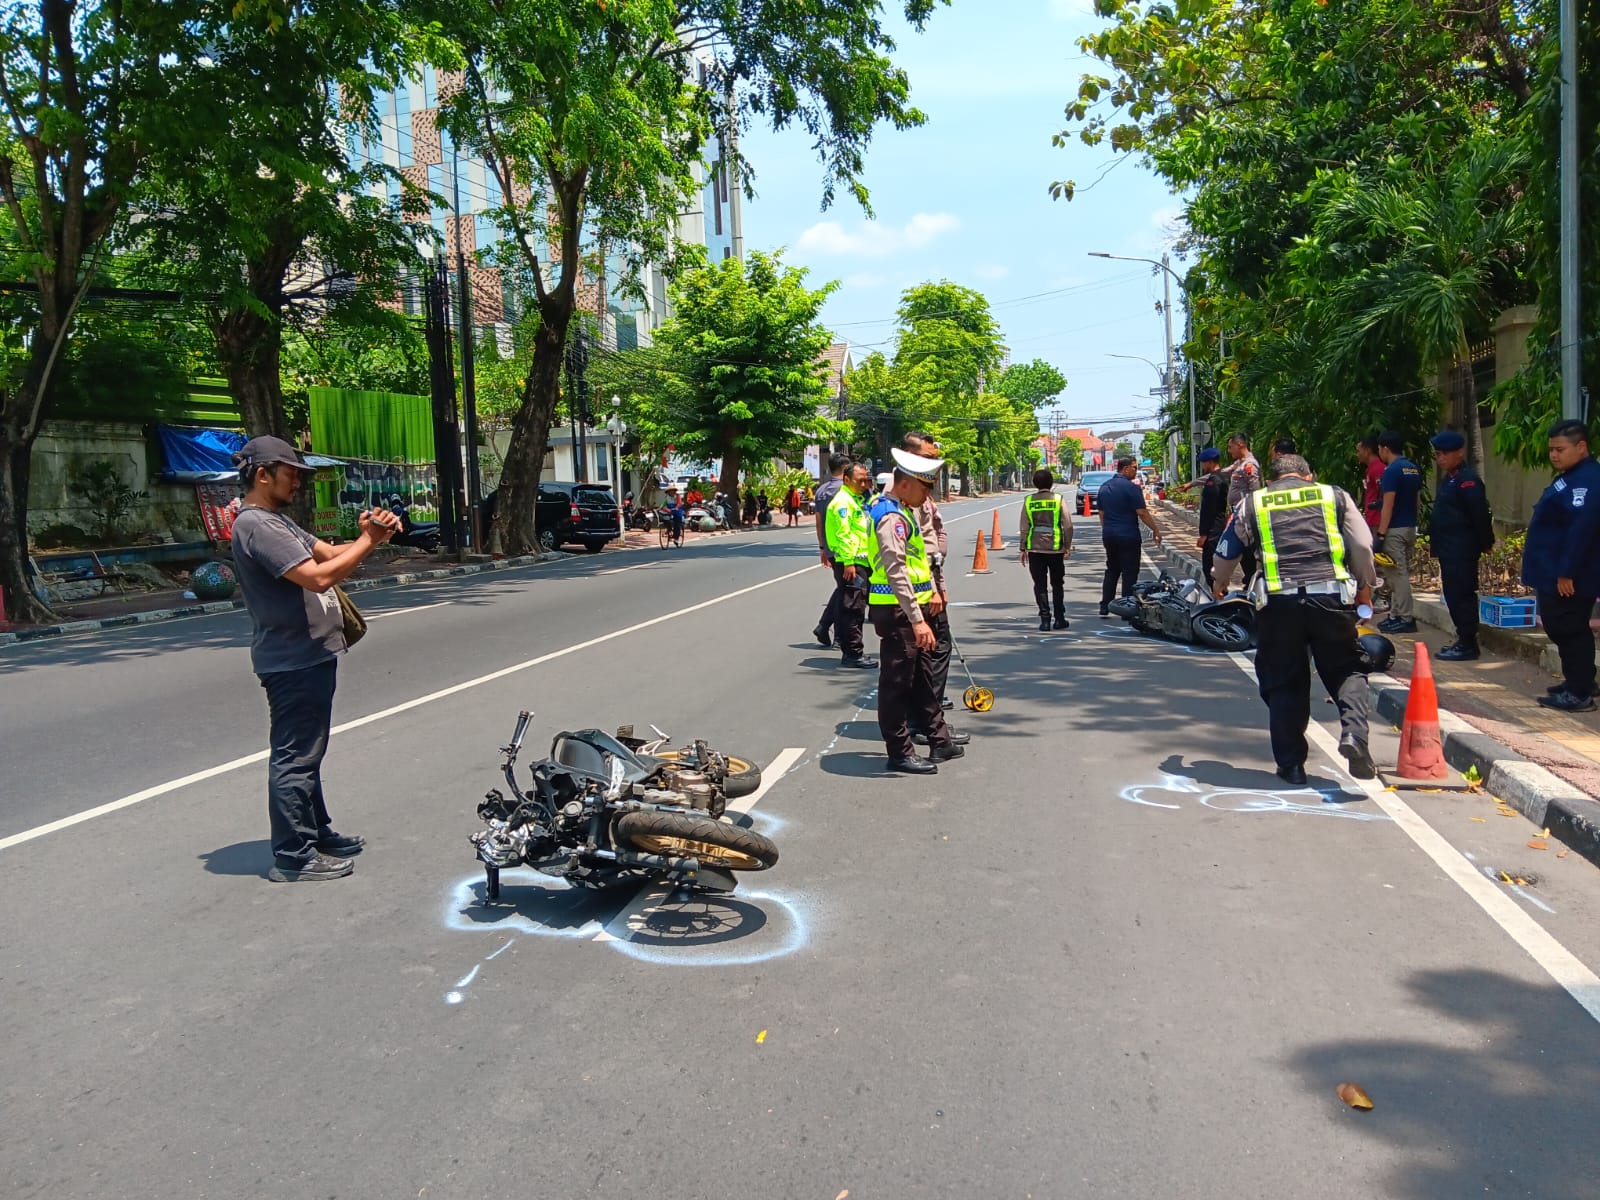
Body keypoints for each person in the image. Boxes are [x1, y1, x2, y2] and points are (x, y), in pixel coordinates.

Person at [229, 435, 401, 882]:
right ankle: (293, 855)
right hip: (292, 659)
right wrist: (369, 539)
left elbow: (333, 554)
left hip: (310, 655)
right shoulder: (257, 526)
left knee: (310, 751)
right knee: (296, 755)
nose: (298, 484)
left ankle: (315, 831)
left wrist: (369, 537)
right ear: (262, 474)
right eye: (292, 475)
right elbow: (319, 577)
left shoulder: (278, 523)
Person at [1212, 453, 1379, 786]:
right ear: (1309, 475)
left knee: (1285, 680)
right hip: (1331, 599)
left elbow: (1227, 550)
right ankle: (1354, 735)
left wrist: (1219, 582)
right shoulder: (1333, 495)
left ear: (1271, 481)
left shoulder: (1254, 503)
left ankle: (1291, 766)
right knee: (1346, 667)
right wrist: (1365, 588)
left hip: (1278, 604)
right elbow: (1362, 544)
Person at [867, 448, 961, 774]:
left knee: (922, 677)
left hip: (912, 608)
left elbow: (917, 563)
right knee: (897, 684)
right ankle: (900, 751)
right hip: (897, 611)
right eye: (924, 488)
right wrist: (918, 619)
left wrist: (932, 592)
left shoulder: (903, 509)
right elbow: (896, 571)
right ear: (905, 484)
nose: (928, 496)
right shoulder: (890, 516)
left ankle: (940, 739)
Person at [1523, 419, 1600, 711]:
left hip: (1570, 574)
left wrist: (1566, 572)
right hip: (1553, 569)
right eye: (1551, 449)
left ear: (1581, 447)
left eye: (1560, 449)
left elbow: (1581, 531)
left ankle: (1579, 693)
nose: (1554, 455)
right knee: (1562, 627)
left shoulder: (1590, 480)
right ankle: (1578, 680)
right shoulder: (1569, 476)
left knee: (1568, 628)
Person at [902, 431, 959, 726]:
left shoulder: (922, 491)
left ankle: (929, 720)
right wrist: (935, 588)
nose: (934, 464)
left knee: (930, 655)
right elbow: (917, 548)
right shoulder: (906, 493)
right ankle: (926, 721)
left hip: (929, 581)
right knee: (933, 653)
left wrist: (941, 583)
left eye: (935, 458)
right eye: (928, 458)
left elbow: (936, 534)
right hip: (919, 588)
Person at [1428, 430, 1495, 661]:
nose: (1441, 459)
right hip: (1449, 549)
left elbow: (1479, 515)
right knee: (1453, 595)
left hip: (1461, 550)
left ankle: (1468, 643)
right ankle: (1463, 639)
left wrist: (1486, 543)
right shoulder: (1451, 479)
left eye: (1445, 454)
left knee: (1462, 596)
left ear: (1459, 452)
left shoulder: (1468, 481)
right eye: (1438, 454)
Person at [824, 463, 877, 669]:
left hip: (860, 560)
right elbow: (844, 534)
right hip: (851, 562)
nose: (864, 484)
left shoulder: (857, 499)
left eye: (866, 480)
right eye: (859, 480)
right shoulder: (843, 502)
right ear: (846, 479)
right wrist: (848, 562)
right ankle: (853, 654)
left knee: (856, 606)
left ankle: (853, 651)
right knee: (853, 608)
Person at [1097, 455, 1163, 616]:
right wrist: (1156, 529)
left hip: (1110, 535)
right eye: (1134, 467)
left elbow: (1101, 513)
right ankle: (1126, 605)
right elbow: (1142, 512)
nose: (1136, 470)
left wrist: (1108, 529)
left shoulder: (1105, 487)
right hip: (1128, 535)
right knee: (1130, 571)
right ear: (1125, 468)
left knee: (1112, 569)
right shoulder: (1132, 488)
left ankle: (1105, 605)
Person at [1374, 430, 1423, 633]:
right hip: (1410, 527)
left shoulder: (1391, 471)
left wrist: (1381, 534)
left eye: (1379, 450)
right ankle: (1395, 614)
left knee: (1397, 575)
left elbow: (1389, 504)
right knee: (1398, 574)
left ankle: (1405, 618)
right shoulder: (1412, 469)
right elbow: (1416, 500)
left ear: (1385, 448)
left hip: (1394, 529)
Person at [1019, 467, 1072, 631]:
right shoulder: (1058, 499)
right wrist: (1067, 546)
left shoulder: (1029, 501)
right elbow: (1068, 525)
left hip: (1035, 549)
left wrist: (1023, 548)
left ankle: (1045, 620)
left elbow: (1024, 527)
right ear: (1051, 483)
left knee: (1039, 584)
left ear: (1035, 483)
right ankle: (1059, 618)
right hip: (1055, 549)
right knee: (1057, 583)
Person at [812, 453, 851, 648]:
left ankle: (825, 626)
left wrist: (822, 547)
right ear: (845, 469)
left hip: (830, 547)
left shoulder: (821, 491)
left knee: (842, 589)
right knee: (847, 592)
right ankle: (835, 632)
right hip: (848, 549)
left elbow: (819, 522)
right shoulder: (847, 490)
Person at [1222, 433, 1262, 582]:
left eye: (1230, 446)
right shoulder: (1239, 463)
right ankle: (1249, 579)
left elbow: (1255, 492)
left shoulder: (1250, 465)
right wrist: (1193, 483)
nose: (1229, 450)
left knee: (1247, 549)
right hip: (1239, 513)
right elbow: (1221, 474)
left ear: (1240, 445)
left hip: (1247, 516)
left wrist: (1251, 515)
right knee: (1243, 551)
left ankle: (1252, 580)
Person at [1356, 435, 1384, 533]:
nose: (1357, 454)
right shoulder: (1370, 469)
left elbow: (1383, 493)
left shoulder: (1377, 468)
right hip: (1372, 519)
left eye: (1359, 451)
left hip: (1377, 520)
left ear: (1367, 451)